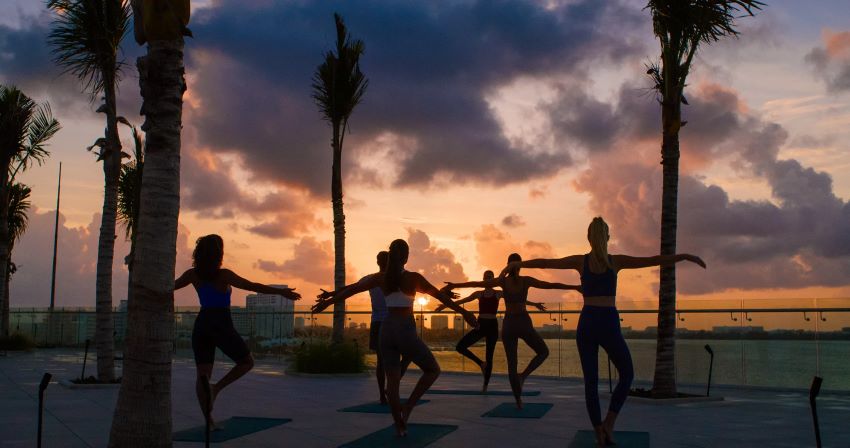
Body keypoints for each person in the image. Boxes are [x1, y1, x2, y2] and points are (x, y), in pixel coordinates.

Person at [502, 217, 706, 446]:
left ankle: (599, 429)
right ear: (607, 237)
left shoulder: (582, 261)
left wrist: (517, 265)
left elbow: (548, 262)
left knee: (591, 382)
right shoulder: (614, 261)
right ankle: (608, 423)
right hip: (607, 322)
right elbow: (653, 260)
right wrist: (684, 257)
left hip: (588, 322)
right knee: (626, 374)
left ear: (589, 238)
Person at [316, 239, 477, 437]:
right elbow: (439, 296)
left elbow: (352, 290)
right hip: (404, 329)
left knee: (392, 381)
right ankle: (408, 407)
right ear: (406, 257)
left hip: (387, 329)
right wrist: (465, 313)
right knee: (432, 369)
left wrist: (327, 303)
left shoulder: (380, 278)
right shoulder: (412, 278)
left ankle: (399, 425)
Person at [174, 234, 301, 427]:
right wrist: (281, 292)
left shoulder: (192, 274)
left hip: (202, 323)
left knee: (202, 374)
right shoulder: (224, 275)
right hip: (221, 323)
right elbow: (252, 286)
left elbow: (169, 287)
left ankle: (208, 421)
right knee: (247, 361)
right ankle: (216, 389)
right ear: (219, 254)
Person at [447, 254, 581, 409]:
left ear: (508, 265)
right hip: (523, 322)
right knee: (543, 352)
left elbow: (475, 283)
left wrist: (454, 285)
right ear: (520, 265)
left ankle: (518, 401)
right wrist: (574, 287)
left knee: (512, 365)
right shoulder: (526, 281)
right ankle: (523, 376)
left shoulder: (502, 281)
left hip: (509, 324)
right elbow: (550, 285)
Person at [313, 250, 410, 403]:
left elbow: (351, 288)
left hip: (378, 323)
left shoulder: (370, 279)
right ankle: (389, 390)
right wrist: (330, 295)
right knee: (403, 356)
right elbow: (351, 288)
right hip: (394, 322)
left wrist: (330, 295)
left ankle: (382, 395)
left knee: (381, 362)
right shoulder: (395, 279)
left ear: (378, 262)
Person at [435, 270, 547, 392]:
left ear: (493, 280)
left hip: (492, 327)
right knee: (460, 347)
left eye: (490, 277)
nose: (488, 280)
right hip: (480, 325)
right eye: (486, 277)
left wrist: (535, 304)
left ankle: (485, 386)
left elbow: (517, 300)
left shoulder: (498, 293)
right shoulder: (478, 294)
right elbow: (462, 301)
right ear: (483, 279)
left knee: (490, 356)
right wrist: (444, 305)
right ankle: (480, 363)